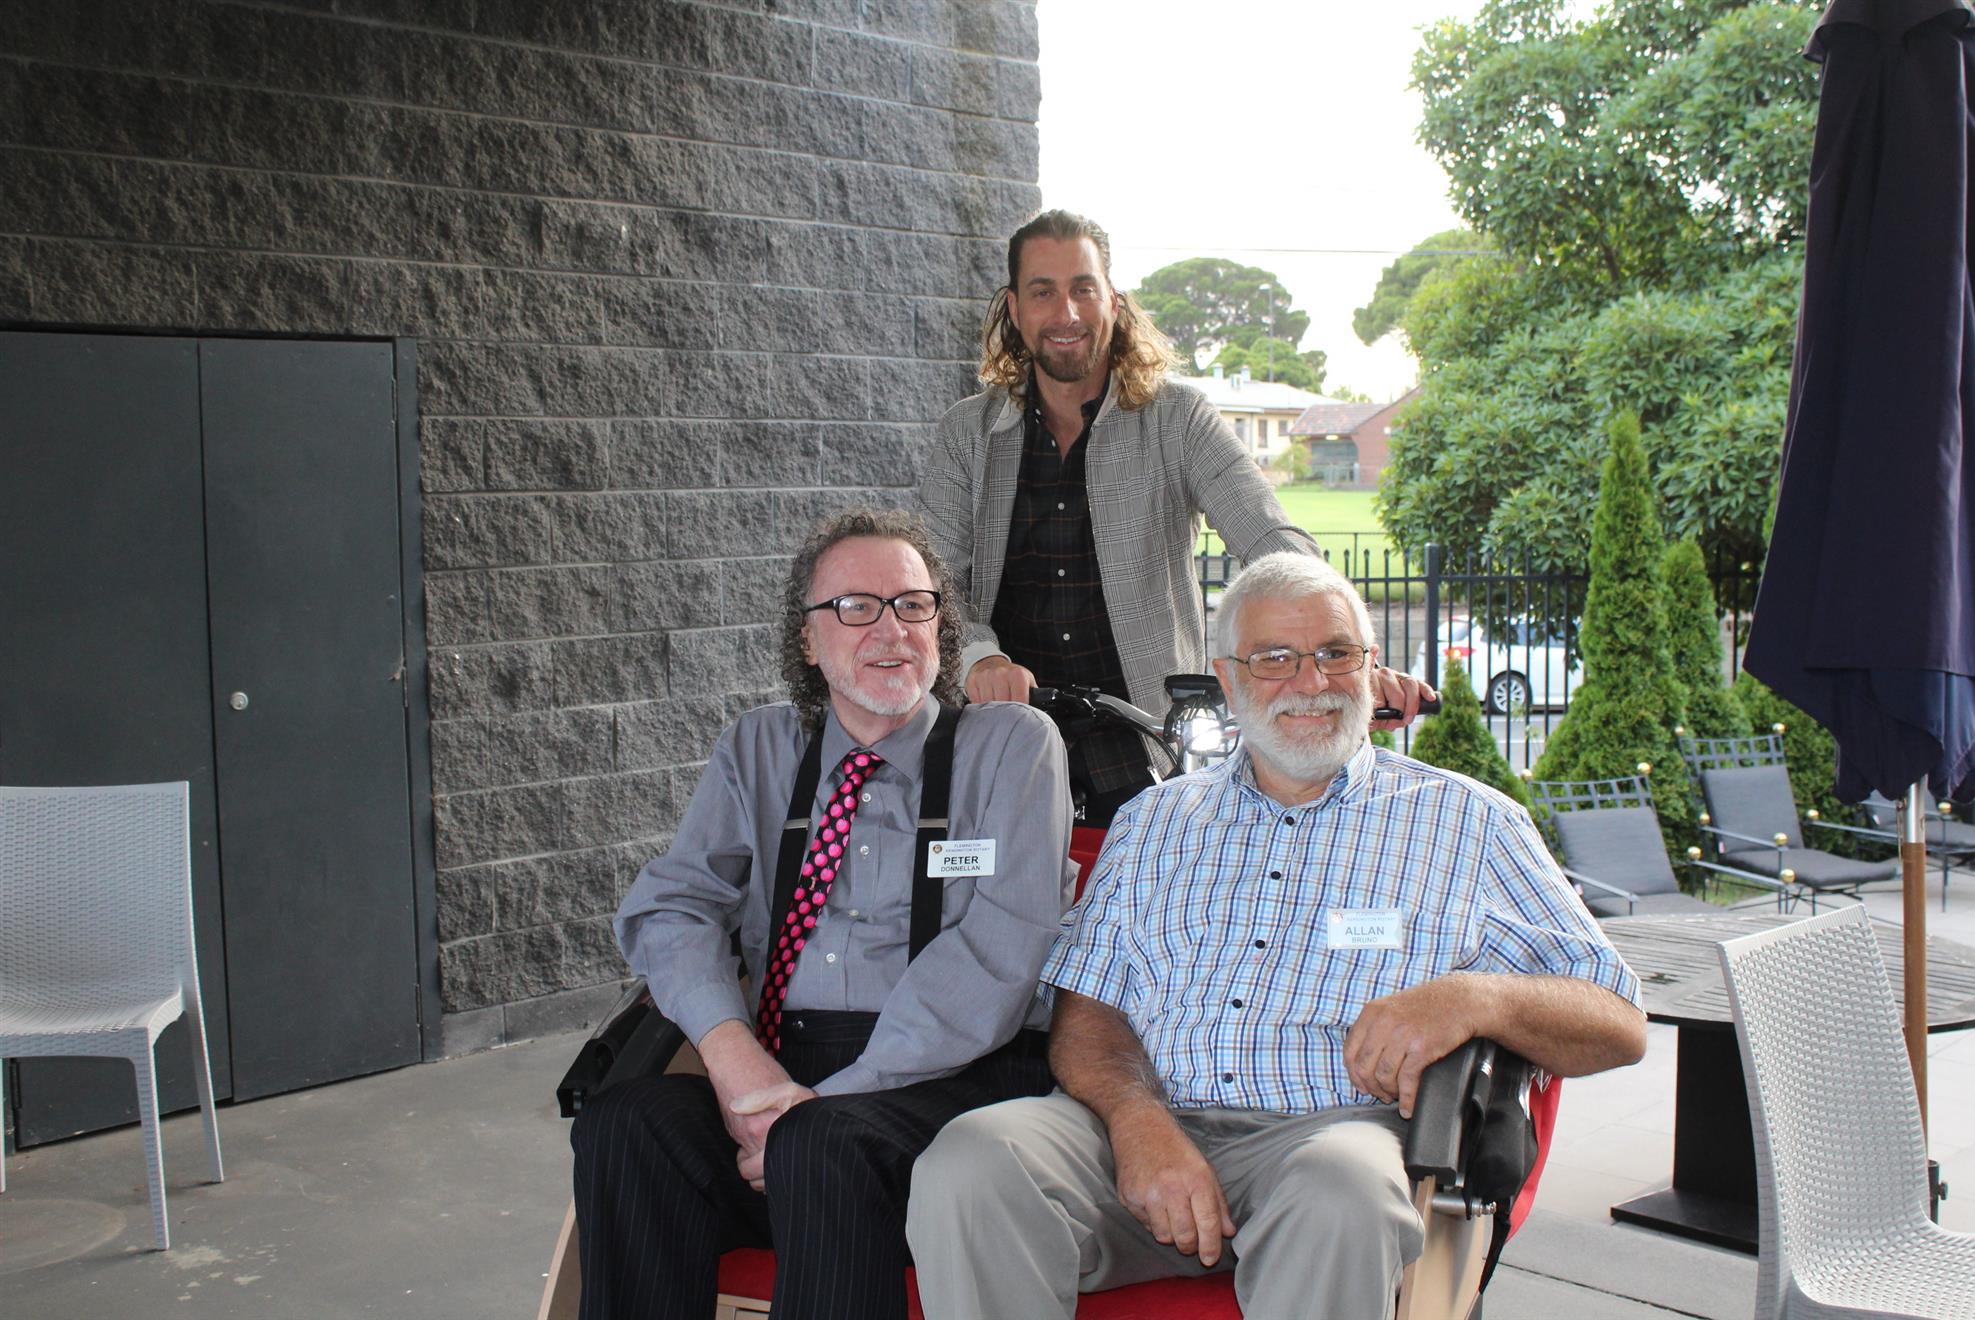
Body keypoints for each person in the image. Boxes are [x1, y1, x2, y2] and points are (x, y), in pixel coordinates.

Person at [905, 552, 1646, 1319]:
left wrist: (1474, 997)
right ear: (1227, 681)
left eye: (1336, 653)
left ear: (1372, 668)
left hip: (1333, 1136)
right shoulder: (1153, 821)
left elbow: (1619, 1020)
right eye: (1275, 659)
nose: (1311, 681)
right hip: (1138, 1125)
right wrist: (1137, 1123)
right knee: (973, 1161)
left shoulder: (1471, 822)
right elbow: (1088, 1008)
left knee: (1344, 1189)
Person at [569, 509, 1072, 1320]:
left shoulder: (1011, 746)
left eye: (913, 605)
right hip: (779, 1063)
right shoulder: (758, 748)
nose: (891, 630)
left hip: (956, 1072)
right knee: (625, 1128)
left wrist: (814, 1108)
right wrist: (735, 1064)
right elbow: (671, 906)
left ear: (941, 627)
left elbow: (1000, 956)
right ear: (807, 639)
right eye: (855, 607)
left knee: (818, 1145)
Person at [917, 208, 1428, 816]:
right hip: (1002, 738)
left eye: (1084, 289)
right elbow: (931, 583)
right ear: (1014, 308)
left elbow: (1273, 540)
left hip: (1149, 743)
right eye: (1043, 292)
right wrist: (981, 658)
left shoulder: (1178, 418)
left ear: (1113, 302)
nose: (1067, 313)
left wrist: (1341, 651)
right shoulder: (967, 433)